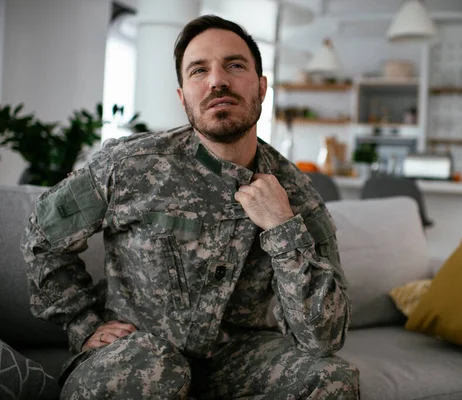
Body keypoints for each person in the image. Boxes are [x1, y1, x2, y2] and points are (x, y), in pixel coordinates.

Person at [21, 14, 359, 399]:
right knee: (155, 368)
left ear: (262, 87)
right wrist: (82, 324)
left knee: (332, 377)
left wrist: (282, 227)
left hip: (237, 362)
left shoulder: (297, 194)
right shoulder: (130, 165)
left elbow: (324, 338)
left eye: (235, 65)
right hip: (138, 355)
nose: (218, 80)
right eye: (199, 70)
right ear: (183, 96)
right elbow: (41, 234)